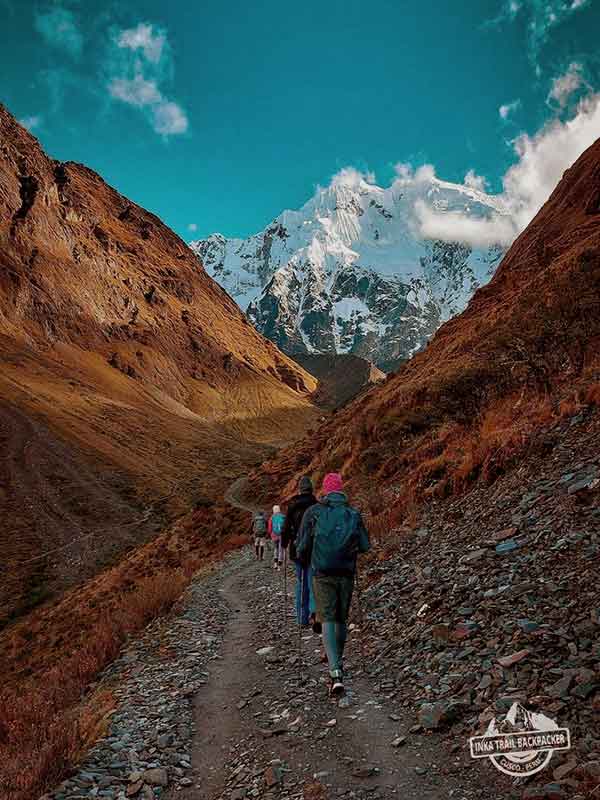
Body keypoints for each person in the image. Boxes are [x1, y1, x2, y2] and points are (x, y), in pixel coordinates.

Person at [296, 473, 370, 696]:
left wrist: (303, 556)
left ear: (326, 491)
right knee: (340, 618)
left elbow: (302, 546)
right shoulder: (353, 513)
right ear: (341, 489)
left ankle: (335, 672)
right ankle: (338, 659)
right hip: (346, 573)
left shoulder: (315, 512)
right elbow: (365, 545)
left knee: (327, 617)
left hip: (322, 573)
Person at [281, 476, 318, 628]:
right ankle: (313, 614)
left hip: (296, 550)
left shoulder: (292, 505)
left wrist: (283, 545)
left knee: (300, 583)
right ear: (311, 489)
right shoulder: (316, 505)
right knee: (312, 582)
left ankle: (301, 619)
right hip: (313, 550)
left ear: (300, 489)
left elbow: (286, 528)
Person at [269, 505, 285, 569]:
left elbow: (270, 528)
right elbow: (286, 526)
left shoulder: (272, 517)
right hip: (281, 535)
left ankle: (275, 564)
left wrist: (270, 533)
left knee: (275, 548)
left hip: (274, 535)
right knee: (281, 549)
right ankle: (279, 565)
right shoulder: (283, 516)